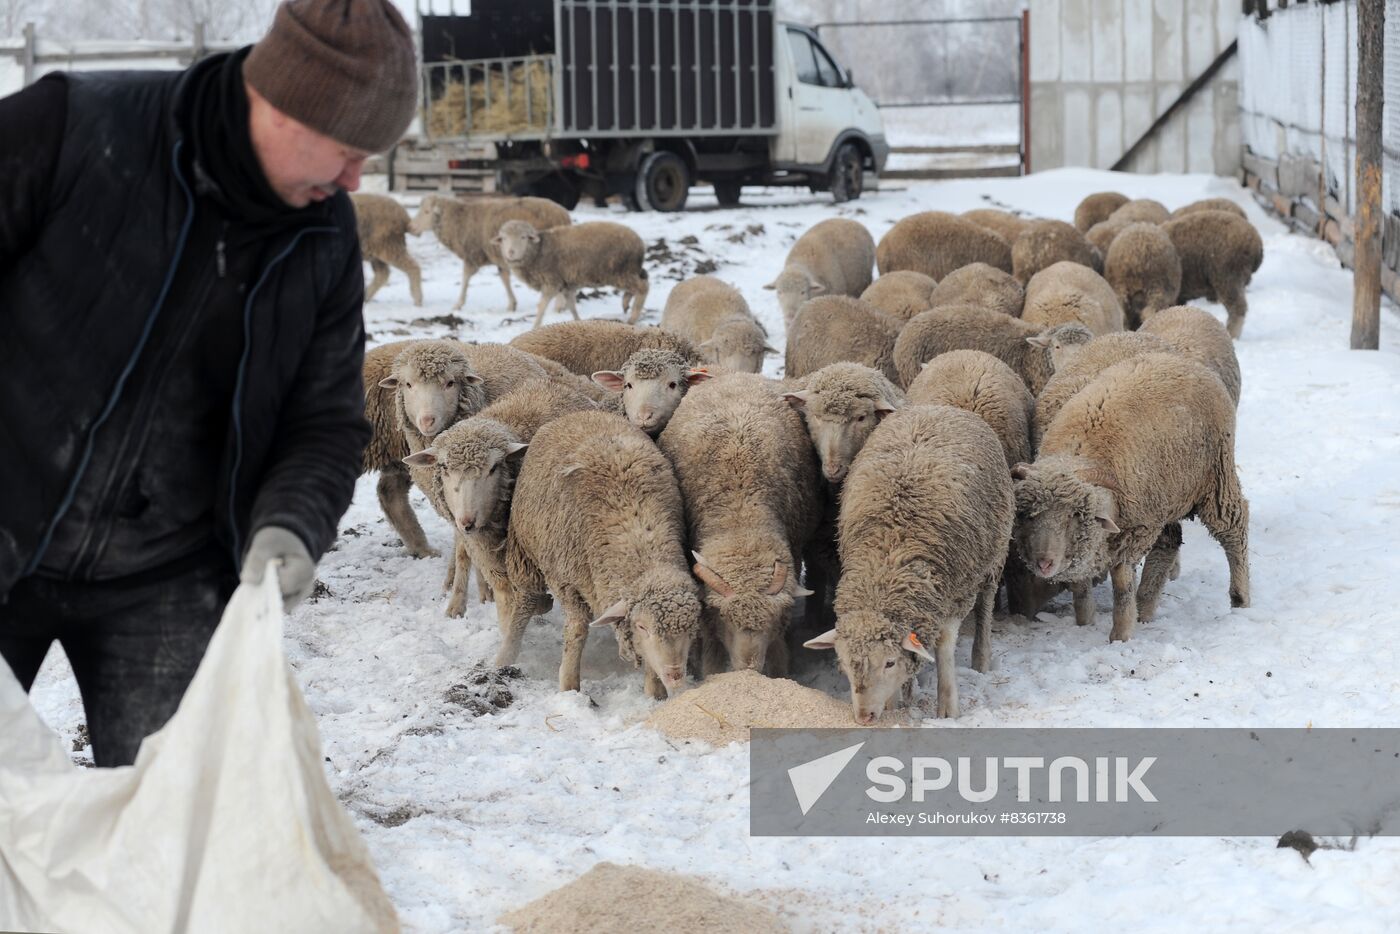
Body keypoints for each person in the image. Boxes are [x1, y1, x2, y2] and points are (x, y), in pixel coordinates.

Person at [0, 0, 417, 767]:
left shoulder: (324, 240)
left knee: (186, 831)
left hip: (169, 577)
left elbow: (323, 421)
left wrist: (292, 523)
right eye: (350, 149)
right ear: (289, 103)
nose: (359, 177)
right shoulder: (71, 129)